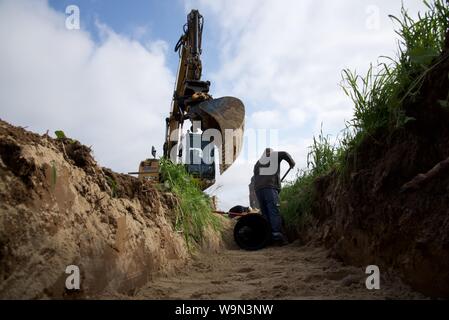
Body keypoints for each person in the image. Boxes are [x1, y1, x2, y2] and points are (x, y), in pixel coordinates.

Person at [253, 148, 295, 245]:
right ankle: (277, 235)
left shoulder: (257, 163)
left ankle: (268, 237)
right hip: (269, 187)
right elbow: (284, 153)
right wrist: (291, 162)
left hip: (258, 189)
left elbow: (255, 177)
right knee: (273, 210)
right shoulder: (273, 155)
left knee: (265, 213)